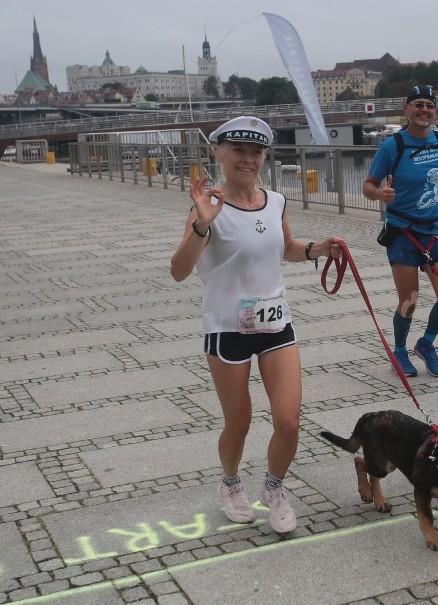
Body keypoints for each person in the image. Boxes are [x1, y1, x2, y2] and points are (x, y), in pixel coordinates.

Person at [170, 116, 343, 534]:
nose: (248, 160)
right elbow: (179, 270)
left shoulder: (276, 201)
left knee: (289, 421)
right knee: (240, 421)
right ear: (220, 154)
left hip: (275, 324)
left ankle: (273, 488)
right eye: (239, 151)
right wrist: (201, 225)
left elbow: (286, 248)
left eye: (256, 152)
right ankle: (230, 483)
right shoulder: (207, 207)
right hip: (227, 328)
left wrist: (319, 249)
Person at [363, 85, 438, 378]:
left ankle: (426, 344)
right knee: (410, 299)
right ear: (406, 110)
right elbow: (368, 185)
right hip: (403, 231)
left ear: (435, 111)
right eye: (418, 104)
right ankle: (401, 350)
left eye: (429, 105)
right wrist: (381, 195)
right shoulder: (393, 145)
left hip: (434, 231)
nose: (424, 110)